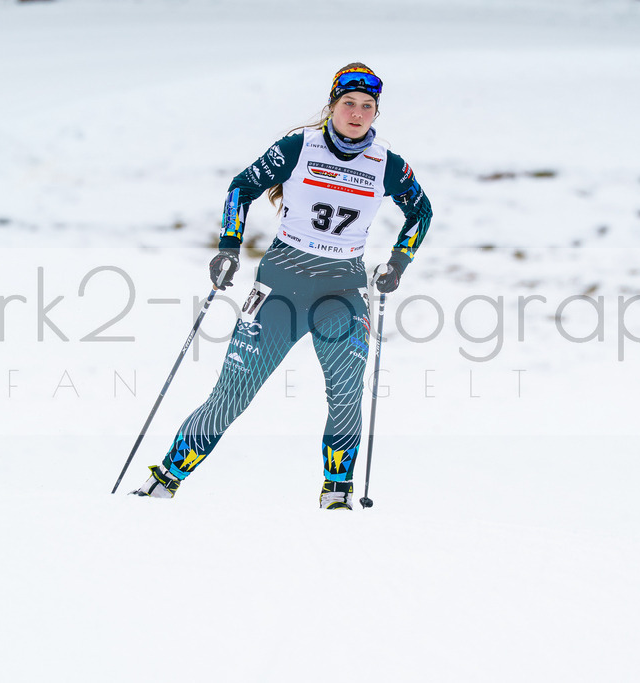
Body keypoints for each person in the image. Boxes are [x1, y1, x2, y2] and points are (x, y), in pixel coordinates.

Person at [131, 63, 433, 509]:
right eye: (348, 103)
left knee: (347, 389)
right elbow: (241, 188)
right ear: (332, 105)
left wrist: (398, 262)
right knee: (232, 394)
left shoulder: (387, 164)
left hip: (342, 290)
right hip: (281, 284)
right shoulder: (299, 146)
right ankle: (165, 480)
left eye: (367, 107)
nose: (356, 113)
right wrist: (228, 248)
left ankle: (337, 494)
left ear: (375, 114)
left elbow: (421, 212)